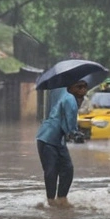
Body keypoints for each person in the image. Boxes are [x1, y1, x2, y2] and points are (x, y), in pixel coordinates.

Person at [35, 78, 88, 207]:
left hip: (52, 138)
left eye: (84, 87)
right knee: (53, 170)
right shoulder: (70, 99)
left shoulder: (60, 93)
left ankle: (59, 199)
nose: (83, 90)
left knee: (65, 168)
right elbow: (70, 122)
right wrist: (75, 133)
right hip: (50, 138)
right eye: (79, 86)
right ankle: (54, 201)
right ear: (71, 87)